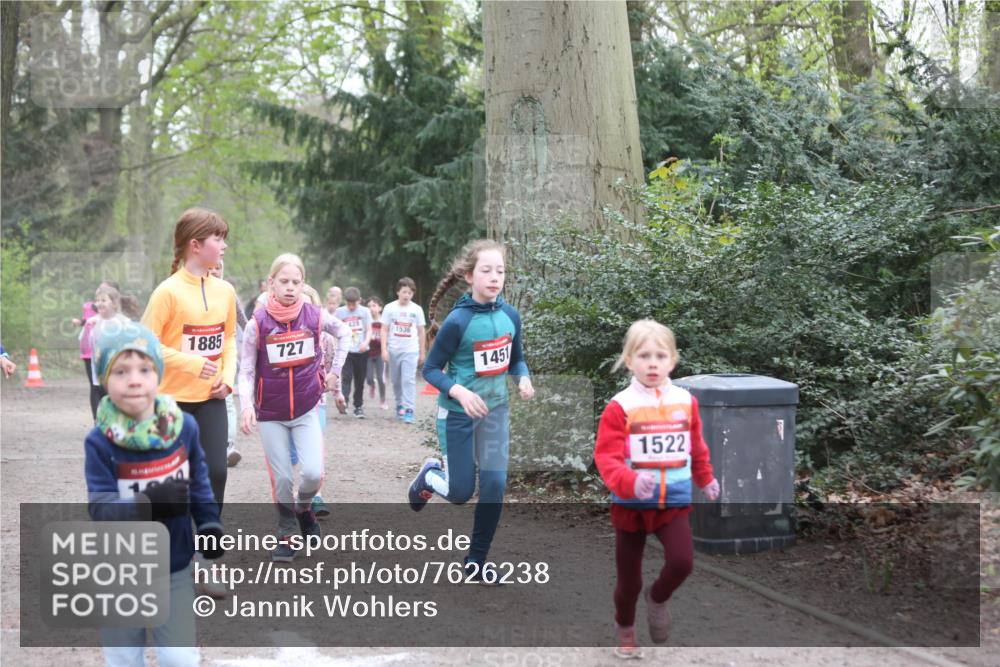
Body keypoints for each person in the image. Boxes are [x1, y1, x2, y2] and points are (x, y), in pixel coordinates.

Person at [85, 321, 224, 667]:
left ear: (158, 375)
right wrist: (149, 503)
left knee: (179, 658)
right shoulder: (100, 441)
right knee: (124, 659)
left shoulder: (183, 428)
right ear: (104, 380)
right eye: (121, 371)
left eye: (145, 369)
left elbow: (200, 481)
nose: (134, 379)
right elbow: (100, 508)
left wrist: (208, 523)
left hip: (174, 566)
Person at [593, 319, 720, 658]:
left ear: (673, 361)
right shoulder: (620, 406)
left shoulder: (685, 401)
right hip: (631, 506)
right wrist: (631, 481)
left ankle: (658, 597)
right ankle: (625, 628)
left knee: (682, 562)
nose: (652, 363)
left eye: (660, 356)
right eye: (644, 355)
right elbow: (607, 457)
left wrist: (705, 478)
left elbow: (696, 446)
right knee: (629, 581)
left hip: (673, 502)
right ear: (629, 360)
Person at [408, 240, 534, 582]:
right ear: (469, 276)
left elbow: (517, 359)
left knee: (494, 486)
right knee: (461, 492)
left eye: (501, 271)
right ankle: (431, 476)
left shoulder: (511, 316)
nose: (495, 277)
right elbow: (431, 369)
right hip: (458, 414)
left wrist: (522, 378)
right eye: (486, 270)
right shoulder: (457, 321)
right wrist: (459, 390)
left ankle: (476, 561)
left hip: (495, 412)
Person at [238, 253, 350, 562]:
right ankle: (287, 534)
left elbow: (344, 333)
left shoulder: (314, 316)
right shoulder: (257, 323)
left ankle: (303, 508)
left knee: (313, 473)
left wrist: (335, 372)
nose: (290, 287)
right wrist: (246, 404)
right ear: (271, 283)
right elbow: (246, 369)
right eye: (283, 281)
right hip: (271, 413)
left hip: (305, 409)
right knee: (283, 478)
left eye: (296, 282)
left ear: (303, 284)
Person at [141, 208, 237, 514]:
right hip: (169, 401)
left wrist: (228, 378)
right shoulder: (166, 292)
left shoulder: (225, 291)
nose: (224, 246)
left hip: (210, 398)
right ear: (195, 245)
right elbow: (144, 345)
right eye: (218, 238)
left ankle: (207, 543)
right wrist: (190, 363)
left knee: (216, 472)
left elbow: (230, 339)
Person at [207, 260, 247, 468]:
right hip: (197, 359)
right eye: (211, 267)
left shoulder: (229, 294)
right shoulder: (193, 292)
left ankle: (228, 446)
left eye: (218, 268)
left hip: (225, 356)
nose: (214, 271)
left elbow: (244, 323)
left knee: (228, 400)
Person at [381, 277, 427, 424]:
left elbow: (421, 331)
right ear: (398, 292)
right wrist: (384, 350)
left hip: (411, 350)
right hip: (394, 350)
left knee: (408, 380)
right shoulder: (389, 308)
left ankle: (409, 409)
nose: (406, 295)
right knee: (396, 381)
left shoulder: (417, 309)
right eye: (404, 292)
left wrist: (422, 351)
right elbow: (384, 329)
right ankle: (399, 404)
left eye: (410, 292)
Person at [84, 284, 132, 417]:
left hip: (118, 371)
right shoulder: (93, 322)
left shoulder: (123, 322)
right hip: (99, 372)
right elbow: (88, 345)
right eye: (97, 300)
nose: (99, 303)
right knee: (103, 401)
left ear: (114, 304)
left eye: (103, 300)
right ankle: (101, 426)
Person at [335, 287, 372, 418]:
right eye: (349, 303)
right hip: (346, 351)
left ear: (359, 301)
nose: (351, 307)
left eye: (354, 304)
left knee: (360, 380)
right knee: (347, 377)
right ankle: (343, 401)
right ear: (345, 301)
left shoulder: (365, 312)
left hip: (361, 351)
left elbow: (369, 330)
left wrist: (366, 343)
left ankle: (358, 406)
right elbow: (335, 330)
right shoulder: (339, 312)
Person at [365, 296, 388, 410]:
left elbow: (388, 336)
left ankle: (383, 399)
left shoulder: (384, 322)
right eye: (368, 306)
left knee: (381, 377)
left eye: (374, 305)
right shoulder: (366, 321)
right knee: (368, 378)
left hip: (380, 353)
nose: (371, 308)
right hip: (368, 354)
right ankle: (372, 385)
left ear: (380, 308)